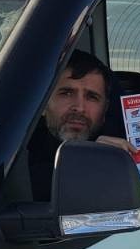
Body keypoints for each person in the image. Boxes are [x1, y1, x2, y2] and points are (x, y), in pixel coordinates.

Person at [26, 50, 132, 200]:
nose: (79, 107)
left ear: (105, 110)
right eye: (67, 93)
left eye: (92, 97)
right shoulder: (15, 161)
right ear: (43, 104)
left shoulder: (126, 157)